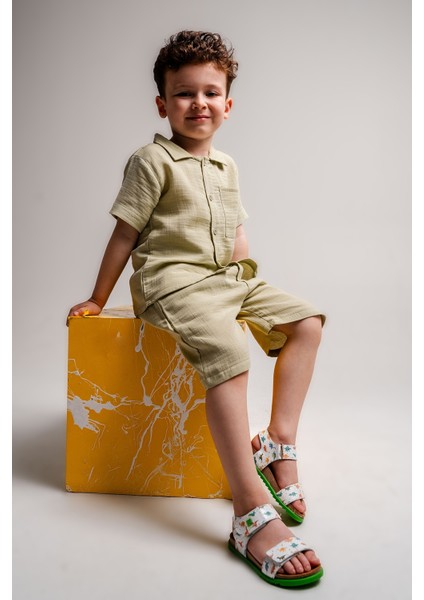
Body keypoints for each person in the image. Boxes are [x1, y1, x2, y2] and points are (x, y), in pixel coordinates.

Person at [68, 30, 325, 587]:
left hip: (225, 281)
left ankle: (277, 443)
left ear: (228, 106)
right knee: (230, 354)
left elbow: (236, 235)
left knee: (306, 321)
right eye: (184, 93)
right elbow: (124, 233)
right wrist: (98, 298)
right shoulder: (151, 161)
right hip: (172, 284)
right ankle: (248, 510)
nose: (199, 103)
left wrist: (247, 288)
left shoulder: (227, 165)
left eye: (211, 93)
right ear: (162, 104)